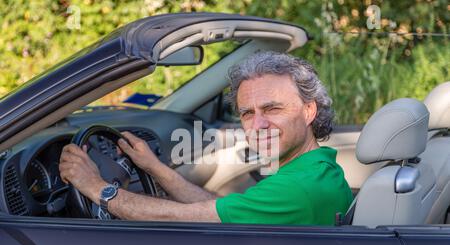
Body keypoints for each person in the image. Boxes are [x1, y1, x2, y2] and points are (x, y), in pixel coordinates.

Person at [59, 51, 353, 225]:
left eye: (272, 108)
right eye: (247, 113)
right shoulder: (318, 170)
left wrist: (96, 187)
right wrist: (154, 168)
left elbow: (179, 218)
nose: (258, 124)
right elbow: (220, 211)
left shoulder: (295, 189)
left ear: (309, 110)